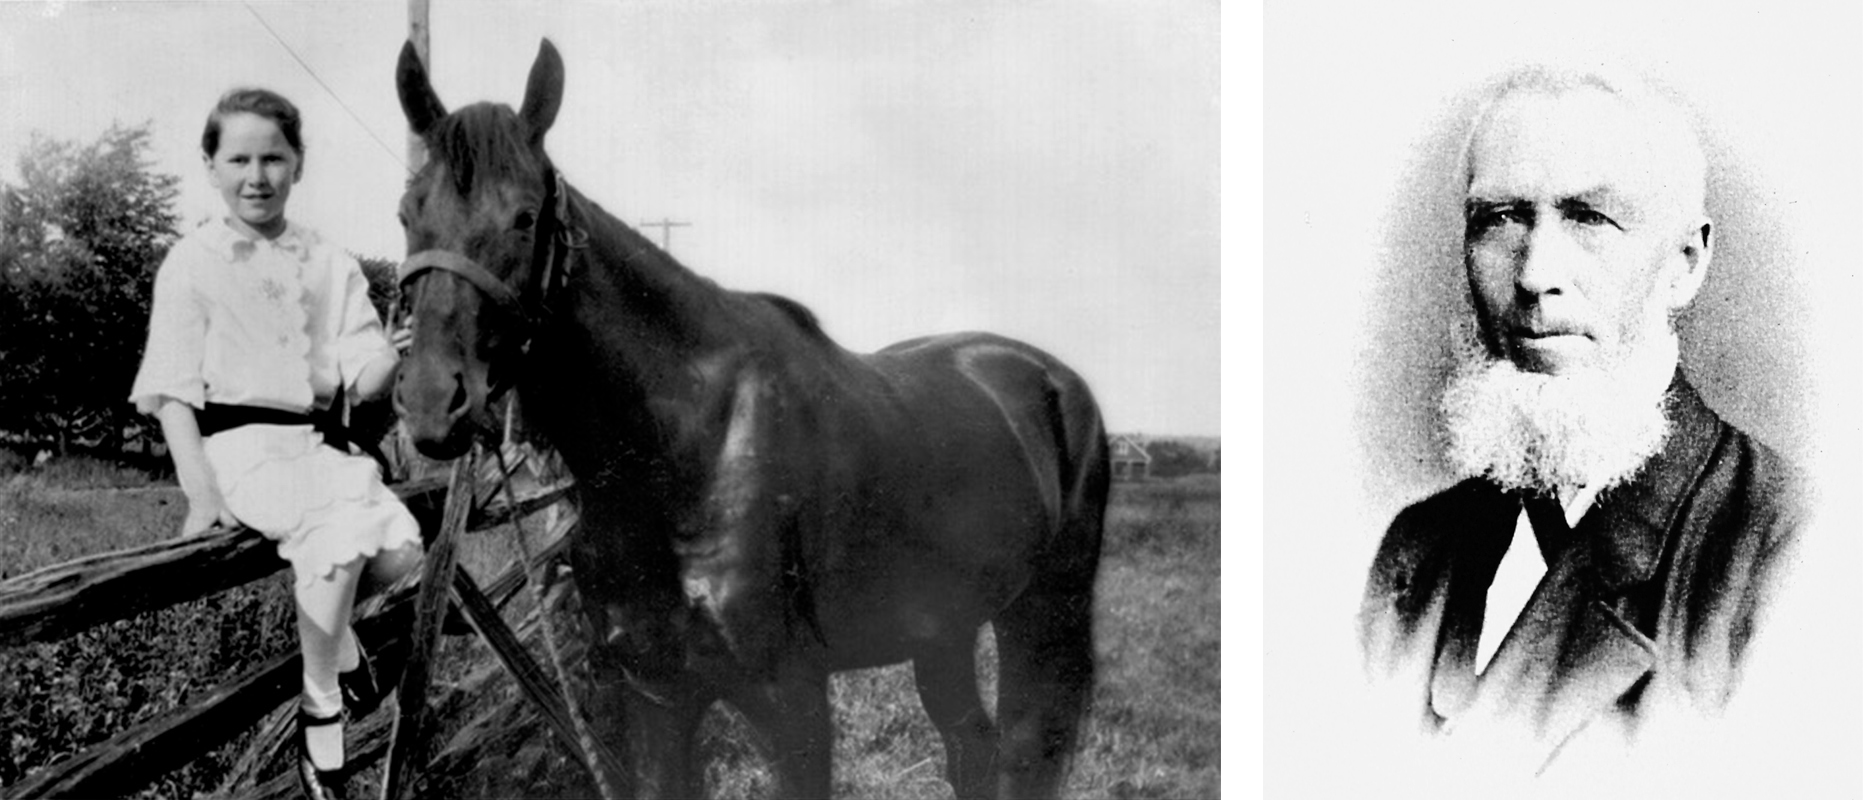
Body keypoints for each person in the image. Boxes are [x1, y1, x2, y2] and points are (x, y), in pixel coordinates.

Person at [1356, 65, 1804, 778]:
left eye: (1589, 218)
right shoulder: (1413, 553)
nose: (1534, 275)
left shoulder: (1793, 553)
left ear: (1684, 264)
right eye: (1499, 219)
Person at [130, 88, 421, 800]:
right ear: (211, 166)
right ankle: (321, 710)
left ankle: (340, 645)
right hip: (238, 449)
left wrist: (396, 353)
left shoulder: (328, 260)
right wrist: (201, 495)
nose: (256, 176)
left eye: (273, 159)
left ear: (298, 164)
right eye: (238, 160)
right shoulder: (193, 261)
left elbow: (365, 374)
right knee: (335, 537)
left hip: (314, 446)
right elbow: (171, 393)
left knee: (402, 550)